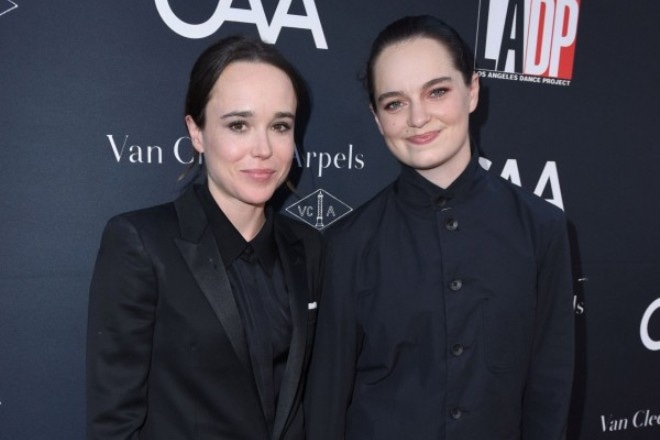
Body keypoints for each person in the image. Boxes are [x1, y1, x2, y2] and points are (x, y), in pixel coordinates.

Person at [305, 15, 574, 439]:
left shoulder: (541, 227)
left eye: (437, 92)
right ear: (377, 118)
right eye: (395, 103)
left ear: (473, 90)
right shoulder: (347, 245)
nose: (418, 117)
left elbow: (550, 390)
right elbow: (326, 406)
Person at [86, 35, 323, 440]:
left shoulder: (309, 247)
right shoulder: (141, 244)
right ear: (196, 132)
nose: (263, 148)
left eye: (280, 126)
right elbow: (114, 424)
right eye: (239, 125)